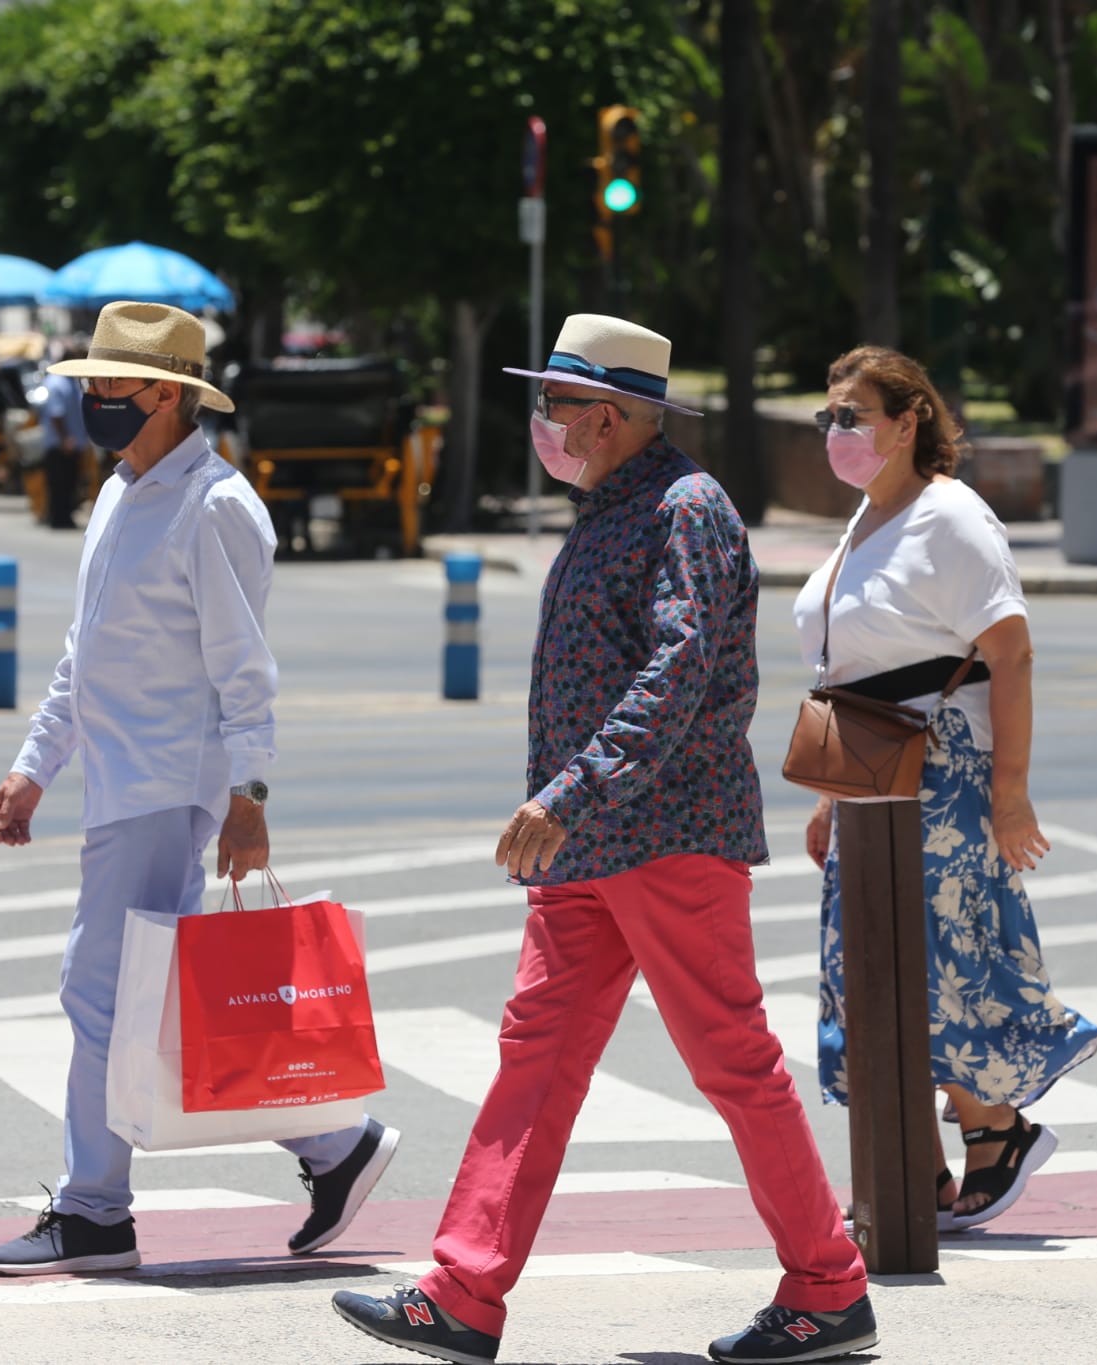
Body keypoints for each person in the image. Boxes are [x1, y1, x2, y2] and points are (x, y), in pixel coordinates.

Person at [332, 315, 875, 1365]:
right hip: (594, 846)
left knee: (731, 1061)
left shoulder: (686, 509)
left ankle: (827, 1287)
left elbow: (673, 674)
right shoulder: (611, 507)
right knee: (533, 1060)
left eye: (556, 404)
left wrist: (567, 794)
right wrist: (571, 810)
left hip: (665, 834)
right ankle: (463, 1292)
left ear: (613, 416)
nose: (543, 422)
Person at [0, 301, 398, 1275]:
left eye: (107, 385)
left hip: (167, 786)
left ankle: (94, 1213)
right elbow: (88, 654)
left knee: (99, 995)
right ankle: (334, 1146)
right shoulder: (124, 493)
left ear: (164, 392)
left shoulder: (214, 506)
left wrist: (248, 795)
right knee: (152, 1000)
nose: (91, 400)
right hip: (121, 784)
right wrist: (35, 765)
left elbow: (244, 670)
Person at [794, 345, 1097, 1231]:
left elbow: (1011, 654)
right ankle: (912, 1168)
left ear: (908, 421)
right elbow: (851, 662)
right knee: (868, 969)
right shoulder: (866, 518)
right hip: (868, 777)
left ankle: (995, 1131)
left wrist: (1012, 792)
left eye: (852, 415)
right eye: (829, 416)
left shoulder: (951, 517)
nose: (836, 432)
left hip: (942, 770)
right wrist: (827, 790)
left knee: (946, 965)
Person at [36, 336, 90, 529]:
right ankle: (58, 518)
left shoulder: (70, 382)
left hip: (72, 442)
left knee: (69, 482)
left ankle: (64, 516)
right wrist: (65, 439)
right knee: (60, 483)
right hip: (60, 444)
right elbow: (56, 414)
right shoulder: (57, 382)